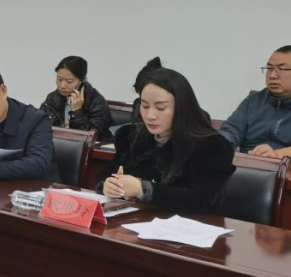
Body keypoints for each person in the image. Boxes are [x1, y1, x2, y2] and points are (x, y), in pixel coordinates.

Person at [98, 68, 235, 214]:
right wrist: (108, 185)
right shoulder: (131, 137)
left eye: (161, 108)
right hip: (133, 220)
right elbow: (105, 176)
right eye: (145, 106)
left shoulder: (212, 146)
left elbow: (202, 201)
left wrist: (143, 189)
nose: (150, 115)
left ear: (182, 108)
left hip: (184, 225)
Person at [219, 45, 291, 166]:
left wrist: (276, 155)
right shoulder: (254, 100)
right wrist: (217, 145)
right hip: (247, 167)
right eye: (269, 68)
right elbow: (231, 130)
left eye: (282, 69)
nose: (272, 75)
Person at [40, 55, 113, 139]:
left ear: (81, 80)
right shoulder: (52, 98)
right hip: (57, 143)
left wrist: (77, 111)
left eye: (69, 81)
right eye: (59, 79)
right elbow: (39, 123)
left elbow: (88, 138)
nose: (62, 86)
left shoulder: (96, 102)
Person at [130, 56, 163, 123]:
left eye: (160, 107)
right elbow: (135, 125)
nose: (150, 116)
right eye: (145, 106)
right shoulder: (138, 103)